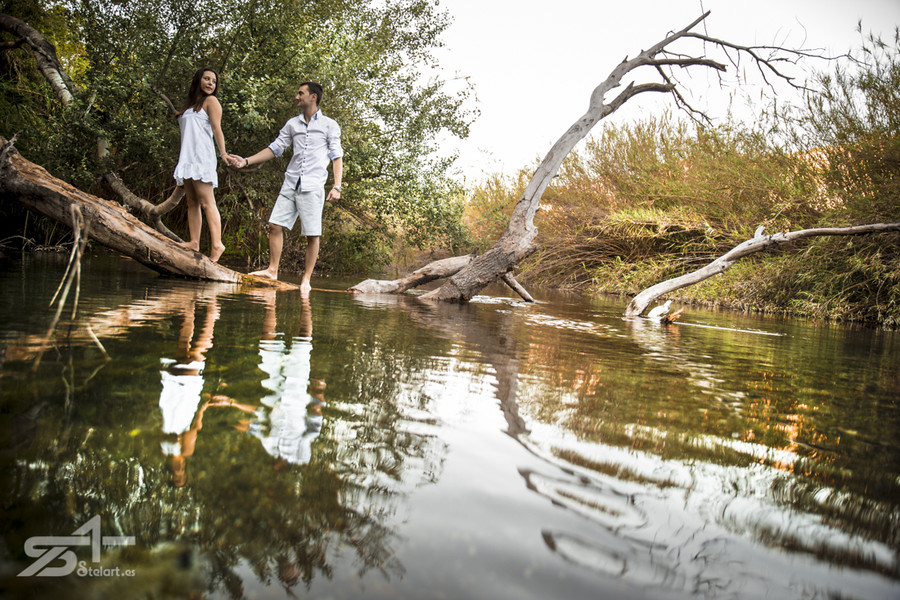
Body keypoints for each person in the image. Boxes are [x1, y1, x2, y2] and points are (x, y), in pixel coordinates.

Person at [229, 81, 343, 294]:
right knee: (275, 225)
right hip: (291, 182)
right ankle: (273, 270)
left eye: (301, 93)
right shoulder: (293, 124)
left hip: (313, 185)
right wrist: (245, 161)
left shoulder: (329, 125)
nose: (297, 97)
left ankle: (306, 279)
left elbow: (337, 157)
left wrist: (337, 186)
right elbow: (275, 149)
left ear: (313, 97)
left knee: (312, 234)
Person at [173, 67, 231, 263]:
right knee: (192, 203)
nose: (210, 84)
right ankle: (194, 242)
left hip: (201, 158)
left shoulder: (211, 101)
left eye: (213, 81)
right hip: (187, 158)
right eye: (207, 79)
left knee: (207, 202)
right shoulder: (190, 105)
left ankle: (217, 244)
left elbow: (217, 129)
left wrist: (223, 153)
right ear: (198, 80)